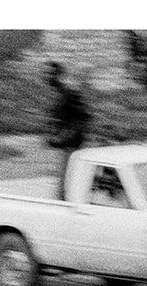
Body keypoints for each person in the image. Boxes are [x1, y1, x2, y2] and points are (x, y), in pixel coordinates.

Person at [46, 62, 91, 200]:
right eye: (46, 73)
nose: (47, 76)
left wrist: (64, 136)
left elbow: (83, 118)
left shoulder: (70, 92)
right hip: (66, 145)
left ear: (58, 75)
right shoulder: (60, 93)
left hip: (72, 145)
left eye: (50, 73)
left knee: (67, 183)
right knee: (65, 182)